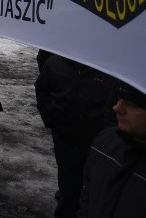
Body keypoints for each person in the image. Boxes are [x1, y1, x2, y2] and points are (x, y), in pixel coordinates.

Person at [78, 83, 146, 217]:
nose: (117, 107)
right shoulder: (104, 141)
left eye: (132, 104)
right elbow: (87, 199)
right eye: (119, 99)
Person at [35, 54, 115, 217]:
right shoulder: (55, 63)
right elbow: (42, 90)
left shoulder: (106, 68)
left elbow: (112, 105)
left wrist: (106, 136)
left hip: (95, 141)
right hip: (65, 137)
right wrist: (49, 117)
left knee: (94, 188)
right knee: (68, 186)